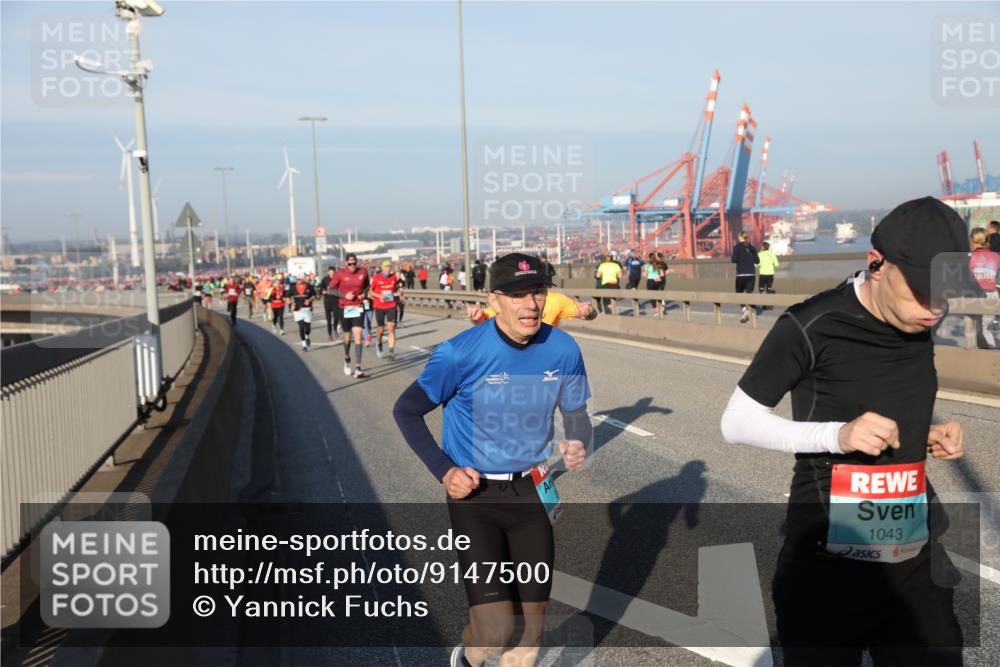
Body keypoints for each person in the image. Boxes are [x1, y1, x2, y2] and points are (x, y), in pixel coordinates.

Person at [720, 197, 973, 666]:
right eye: (921, 289)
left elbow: (887, 402)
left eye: (945, 292)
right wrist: (836, 436)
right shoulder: (811, 324)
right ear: (876, 264)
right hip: (825, 569)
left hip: (915, 559)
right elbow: (736, 423)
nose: (935, 308)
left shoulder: (919, 322)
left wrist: (927, 436)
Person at [392, 252, 592, 667]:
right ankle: (467, 657)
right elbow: (406, 411)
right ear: (493, 299)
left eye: (538, 292)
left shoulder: (564, 349)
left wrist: (576, 439)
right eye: (517, 295)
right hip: (475, 497)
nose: (531, 304)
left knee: (528, 635)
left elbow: (575, 412)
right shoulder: (458, 354)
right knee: (496, 631)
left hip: (532, 492)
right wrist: (445, 471)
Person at [329, 253, 370, 378]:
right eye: (349, 264)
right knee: (347, 337)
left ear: (356, 262)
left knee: (358, 335)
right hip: (344, 308)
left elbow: (367, 286)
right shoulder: (340, 274)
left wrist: (364, 293)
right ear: (346, 263)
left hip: (357, 307)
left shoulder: (363, 272)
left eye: (354, 263)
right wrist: (344, 295)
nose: (352, 266)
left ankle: (358, 368)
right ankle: (347, 358)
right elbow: (330, 289)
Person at [466, 289, 597, 328]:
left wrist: (588, 311)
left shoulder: (560, 302)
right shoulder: (513, 302)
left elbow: (581, 310)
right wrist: (478, 318)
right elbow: (489, 316)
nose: (533, 304)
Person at [969, 227, 1000, 348]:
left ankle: (987, 357)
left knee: (977, 329)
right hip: (992, 294)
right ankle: (987, 354)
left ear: (973, 240)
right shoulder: (996, 256)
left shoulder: (970, 256)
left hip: (976, 295)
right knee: (986, 329)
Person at [370, 260, 401, 360]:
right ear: (382, 268)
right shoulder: (376, 277)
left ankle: (391, 352)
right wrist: (379, 295)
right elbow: (370, 292)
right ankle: (379, 344)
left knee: (391, 327)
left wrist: (400, 293)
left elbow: (395, 289)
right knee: (381, 329)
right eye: (386, 267)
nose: (388, 268)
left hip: (391, 305)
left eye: (390, 267)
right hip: (379, 306)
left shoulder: (393, 277)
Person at [731, 231, 759, 323]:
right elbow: (757, 261)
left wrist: (741, 257)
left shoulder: (737, 247)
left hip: (741, 274)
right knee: (749, 293)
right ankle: (752, 312)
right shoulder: (753, 248)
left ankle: (745, 310)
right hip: (751, 274)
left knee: (739, 294)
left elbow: (734, 260)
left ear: (740, 237)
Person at [287, 275, 316, 351]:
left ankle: (306, 336)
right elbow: (287, 297)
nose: (298, 280)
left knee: (308, 329)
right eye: (297, 279)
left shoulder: (309, 286)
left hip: (307, 309)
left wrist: (309, 300)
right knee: (301, 327)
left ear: (303, 279)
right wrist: (291, 304)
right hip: (297, 310)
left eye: (300, 279)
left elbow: (314, 296)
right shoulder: (293, 288)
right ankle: (304, 345)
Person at [320, 265, 343, 342]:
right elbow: (321, 289)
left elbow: (341, 288)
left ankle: (335, 329)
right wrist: (323, 291)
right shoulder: (325, 279)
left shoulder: (337, 279)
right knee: (329, 319)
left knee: (336, 317)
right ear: (328, 272)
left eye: (333, 273)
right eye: (330, 273)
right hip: (327, 302)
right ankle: (329, 335)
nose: (332, 274)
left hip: (336, 301)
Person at [756, 241, 780, 310]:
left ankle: (764, 305)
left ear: (763, 247)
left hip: (763, 274)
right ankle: (770, 304)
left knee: (761, 289)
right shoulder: (772, 254)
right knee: (769, 289)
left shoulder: (760, 254)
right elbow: (777, 264)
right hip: (770, 274)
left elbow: (756, 265)